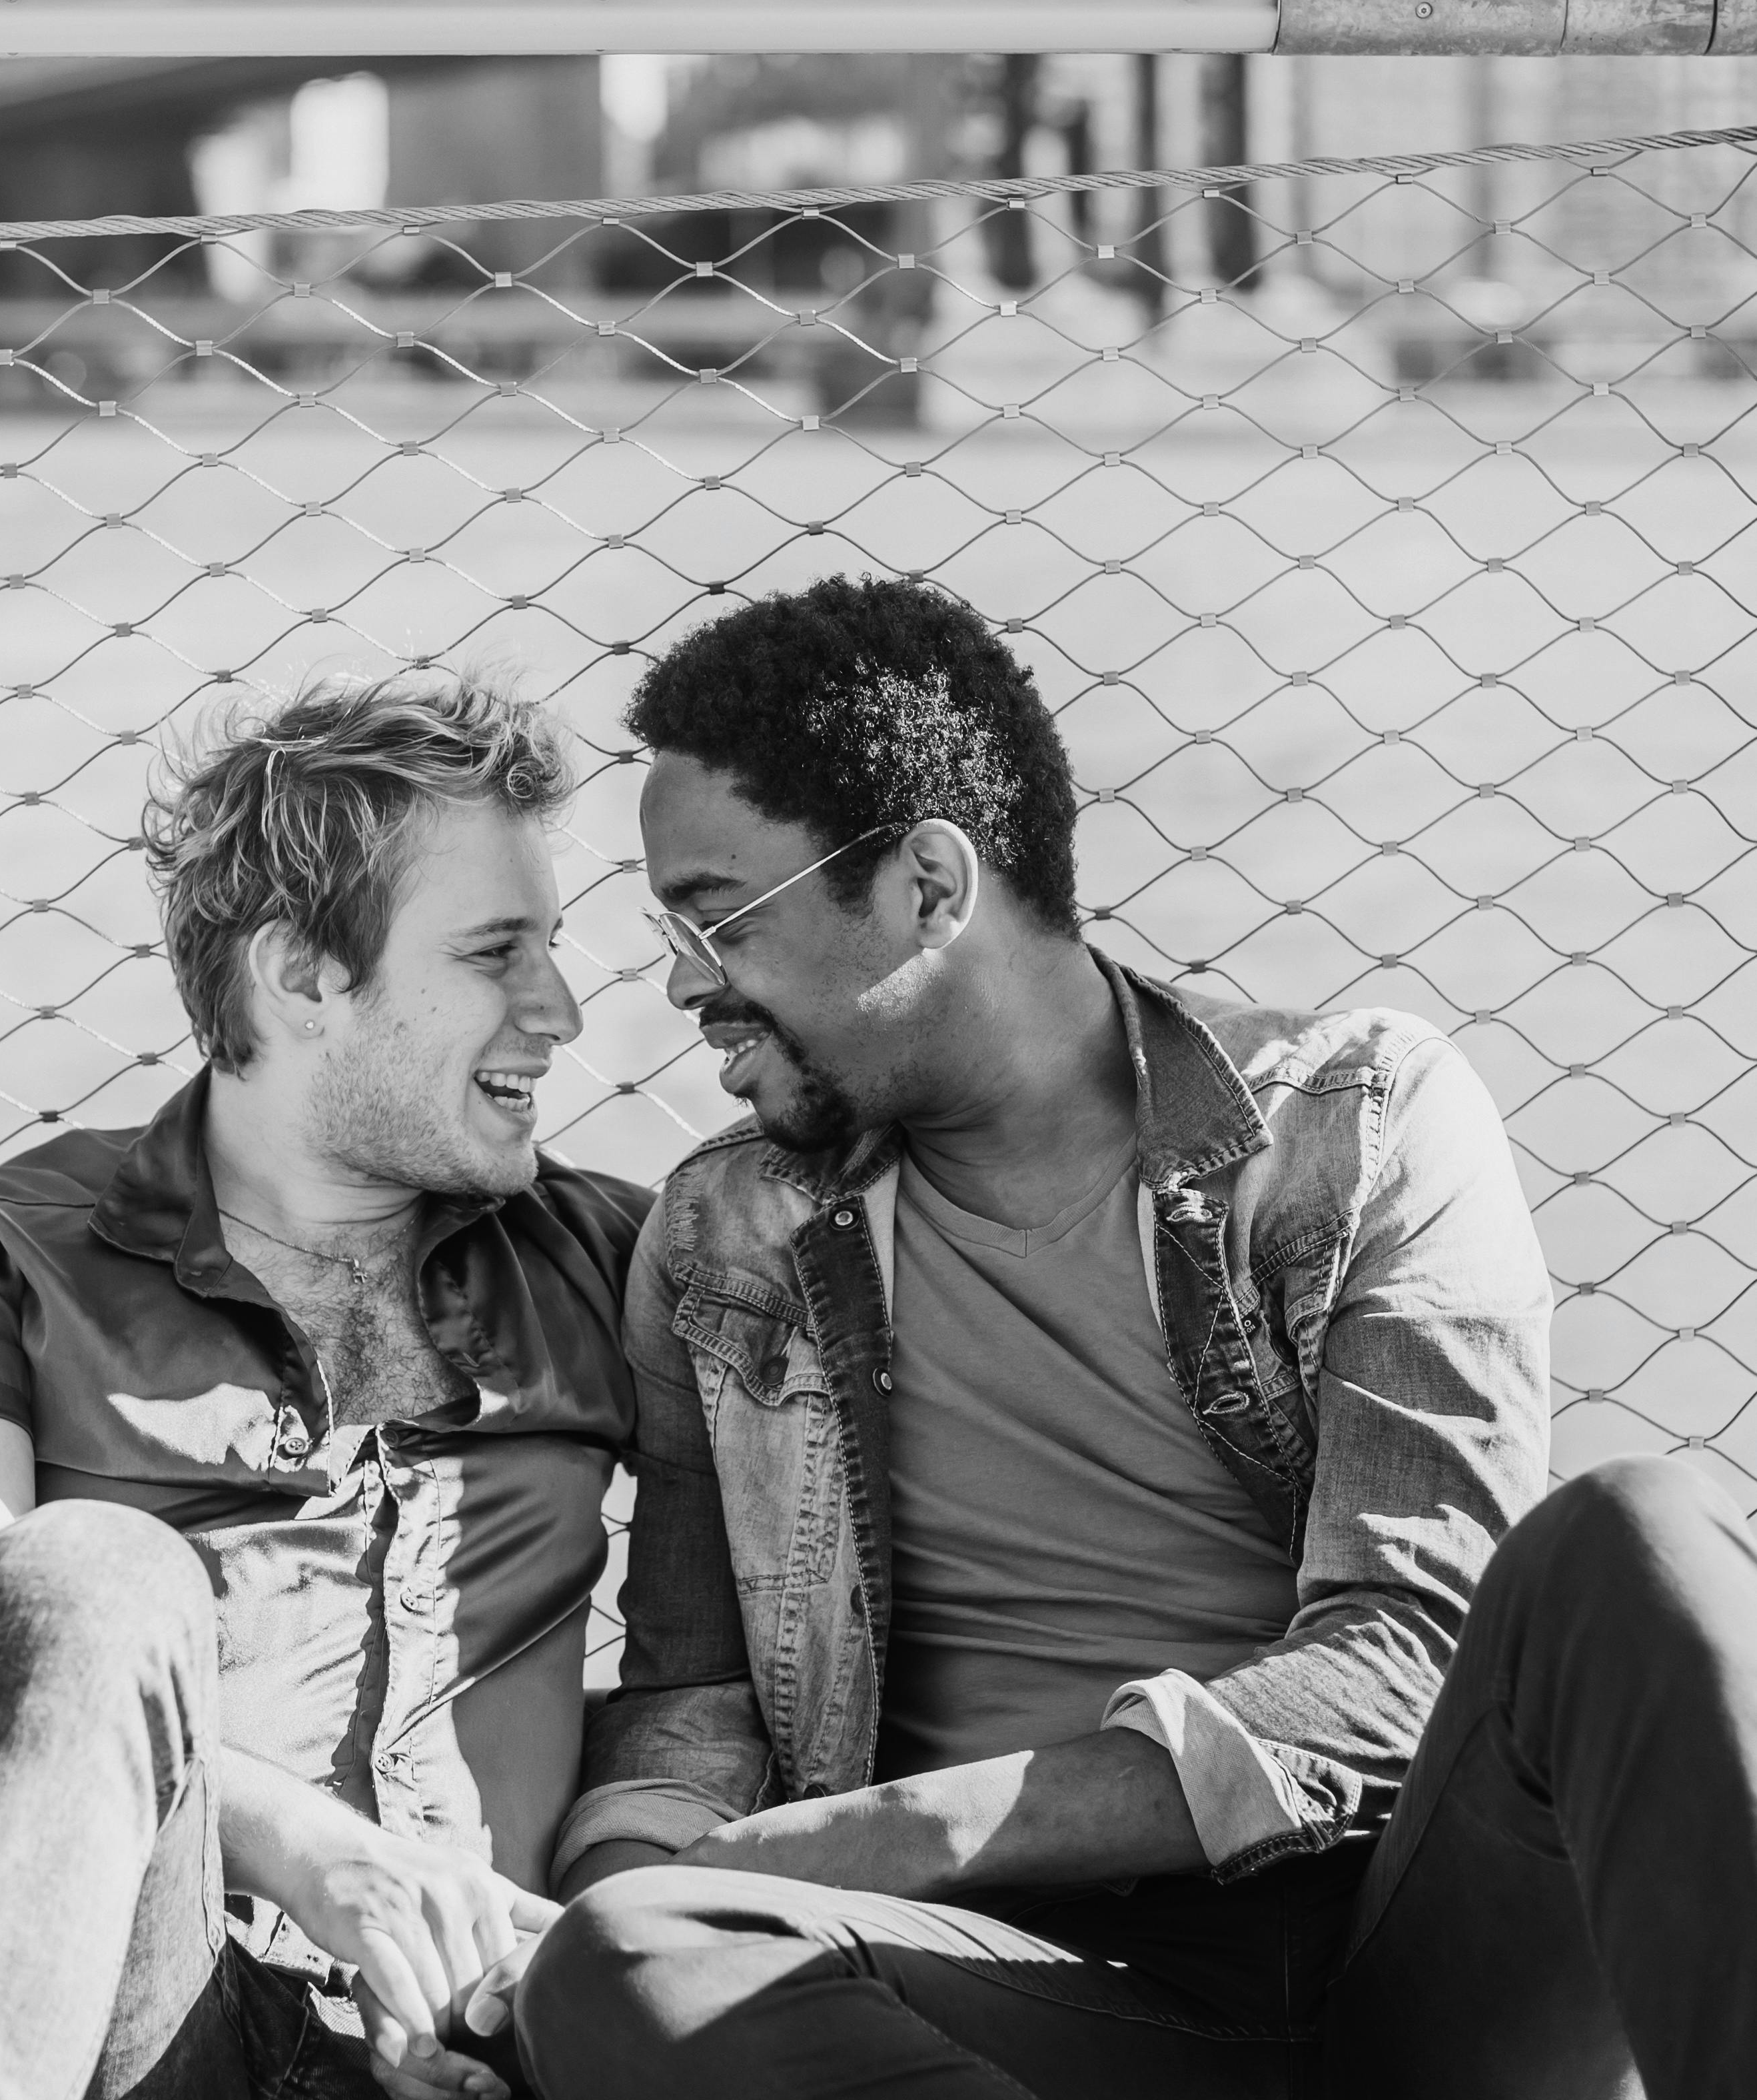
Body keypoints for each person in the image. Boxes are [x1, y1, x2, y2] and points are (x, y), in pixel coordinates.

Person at [506, 576, 1757, 2100]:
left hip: (1406, 1952)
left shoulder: (1350, 1126)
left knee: (1638, 1539)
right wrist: (607, 1890)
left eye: (719, 922)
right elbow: (687, 1700)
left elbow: (1403, 1661)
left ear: (925, 885)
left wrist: (891, 1831)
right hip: (1003, 1996)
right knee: (630, 1959)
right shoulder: (722, 1243)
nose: (683, 985)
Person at [0, 671, 647, 2100]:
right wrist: (332, 1867)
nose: (557, 1010)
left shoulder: (616, 1264)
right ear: (302, 975)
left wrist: (561, 1964)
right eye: (497, 952)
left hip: (472, 2031)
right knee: (80, 1573)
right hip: (117, 2012)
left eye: (549, 945)